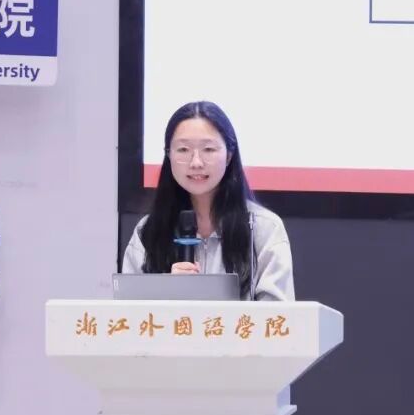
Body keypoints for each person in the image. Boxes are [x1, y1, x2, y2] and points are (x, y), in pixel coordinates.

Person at [122, 101, 294, 301]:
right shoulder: (148, 232)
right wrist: (166, 292)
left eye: (209, 149)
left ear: (229, 155)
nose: (196, 162)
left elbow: (279, 316)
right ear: (168, 155)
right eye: (183, 149)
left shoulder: (264, 228)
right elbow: (128, 312)